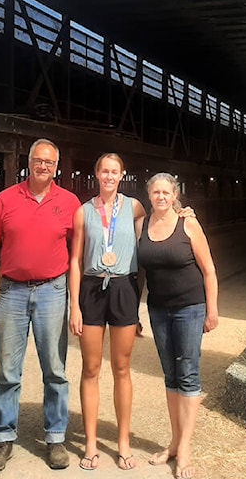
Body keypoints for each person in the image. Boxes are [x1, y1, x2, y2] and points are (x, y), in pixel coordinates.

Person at [0, 139, 81, 473]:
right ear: (28, 161)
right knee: (8, 371)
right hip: (12, 293)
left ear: (56, 166)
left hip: (52, 290)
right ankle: (4, 438)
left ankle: (55, 437)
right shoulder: (6, 200)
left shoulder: (69, 202)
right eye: (38, 160)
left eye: (49, 162)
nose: (43, 167)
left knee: (55, 369)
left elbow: (80, 251)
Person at [136, 172, 219, 479]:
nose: (160, 197)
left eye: (165, 192)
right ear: (149, 195)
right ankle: (173, 442)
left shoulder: (188, 224)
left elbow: (209, 270)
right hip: (158, 309)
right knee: (171, 374)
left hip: (190, 308)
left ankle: (184, 448)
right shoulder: (142, 225)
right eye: (155, 192)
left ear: (174, 196)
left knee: (188, 373)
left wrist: (213, 310)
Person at [68, 153, 145, 471]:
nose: (110, 176)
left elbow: (157, 229)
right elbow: (75, 259)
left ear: (122, 175)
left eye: (115, 172)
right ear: (96, 174)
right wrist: (74, 304)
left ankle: (123, 442)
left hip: (124, 288)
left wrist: (183, 210)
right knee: (91, 367)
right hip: (91, 287)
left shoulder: (135, 207)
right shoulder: (83, 212)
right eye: (104, 171)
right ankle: (90, 442)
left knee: (122, 368)